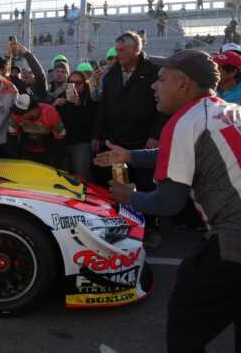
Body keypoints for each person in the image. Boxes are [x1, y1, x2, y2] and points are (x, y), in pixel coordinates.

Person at [94, 50, 241, 352]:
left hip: (233, 240)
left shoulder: (184, 122)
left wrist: (129, 197)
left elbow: (168, 203)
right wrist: (131, 155)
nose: (153, 85)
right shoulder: (228, 110)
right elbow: (185, 152)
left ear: (183, 84)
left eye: (161, 79)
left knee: (184, 325)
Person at [92, 31, 167, 191]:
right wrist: (97, 134)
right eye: (116, 50)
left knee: (144, 186)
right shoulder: (111, 73)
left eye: (122, 50)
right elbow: (104, 105)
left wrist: (155, 135)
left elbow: (164, 107)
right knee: (120, 185)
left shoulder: (154, 72)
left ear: (136, 50)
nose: (117, 54)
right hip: (117, 140)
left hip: (144, 142)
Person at [54, 71, 97, 179]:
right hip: (63, 143)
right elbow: (53, 119)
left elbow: (91, 121)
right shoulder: (62, 97)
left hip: (81, 143)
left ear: (84, 84)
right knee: (64, 177)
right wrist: (54, 104)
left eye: (78, 83)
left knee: (81, 176)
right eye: (71, 82)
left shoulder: (89, 99)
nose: (74, 85)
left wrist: (78, 105)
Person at [9, 93, 66, 166]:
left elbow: (60, 136)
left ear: (33, 111)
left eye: (21, 112)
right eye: (17, 111)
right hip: (26, 151)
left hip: (48, 152)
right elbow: (12, 135)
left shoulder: (50, 112)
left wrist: (56, 161)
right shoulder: (15, 114)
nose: (18, 114)